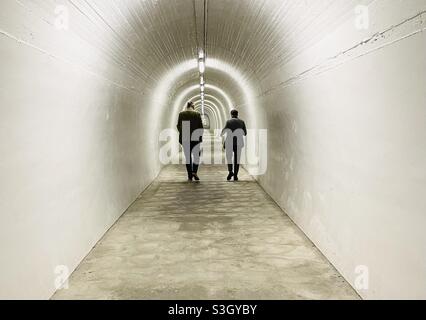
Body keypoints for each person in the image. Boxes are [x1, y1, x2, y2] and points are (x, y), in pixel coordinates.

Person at [177, 102, 204, 181]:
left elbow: (178, 126)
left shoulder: (181, 114)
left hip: (185, 138)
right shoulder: (197, 114)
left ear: (187, 106)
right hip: (195, 138)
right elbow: (201, 127)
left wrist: (183, 133)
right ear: (193, 106)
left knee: (188, 157)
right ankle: (194, 171)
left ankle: (189, 175)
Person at [222, 109, 247, 181]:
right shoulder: (242, 122)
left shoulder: (228, 122)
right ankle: (235, 175)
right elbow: (245, 133)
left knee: (229, 158)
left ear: (231, 114)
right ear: (237, 114)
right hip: (238, 143)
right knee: (237, 159)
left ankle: (230, 172)